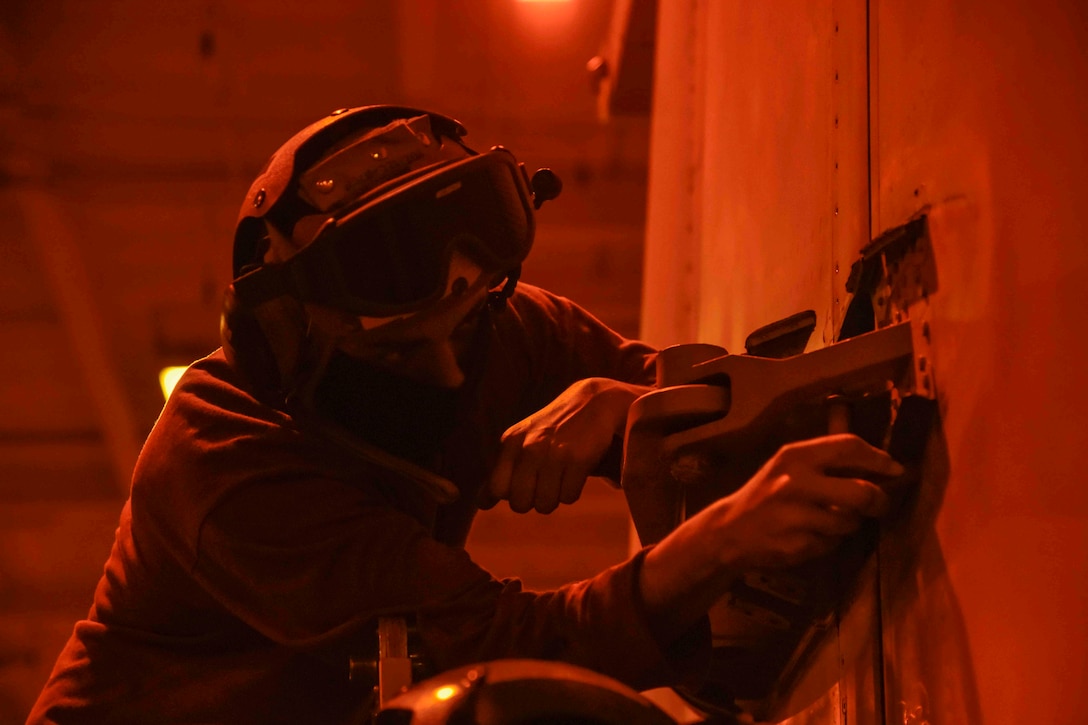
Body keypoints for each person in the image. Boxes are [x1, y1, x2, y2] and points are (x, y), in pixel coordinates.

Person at [28, 105, 904, 724]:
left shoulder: (492, 327)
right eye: (403, 357)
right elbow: (507, 642)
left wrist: (629, 405)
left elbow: (714, 407)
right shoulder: (225, 463)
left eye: (463, 327)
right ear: (296, 346)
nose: (451, 369)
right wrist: (715, 544)